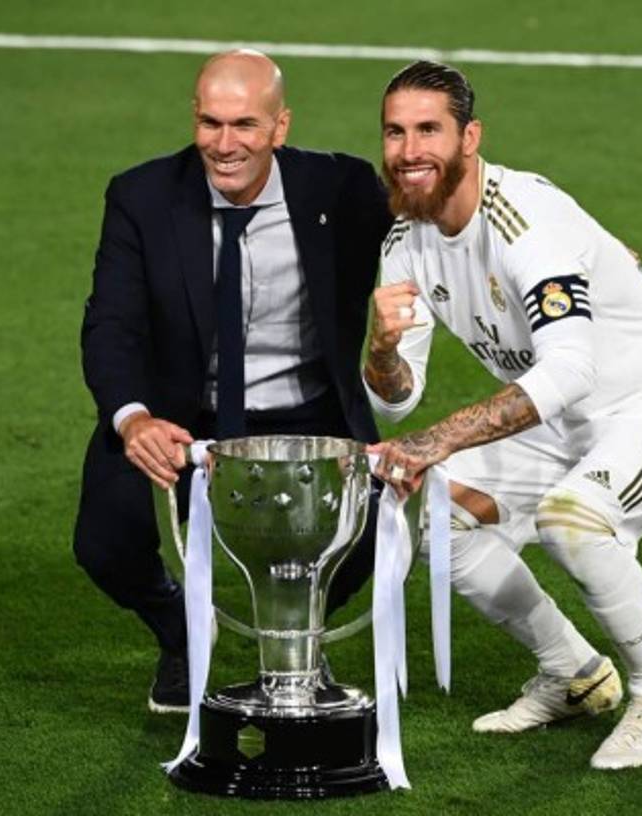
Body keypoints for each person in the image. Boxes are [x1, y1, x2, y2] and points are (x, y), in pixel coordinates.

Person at [363, 60, 642, 770]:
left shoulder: (523, 217)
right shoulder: (403, 240)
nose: (410, 151)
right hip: (561, 419)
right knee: (444, 510)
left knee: (574, 519)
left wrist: (433, 440)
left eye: (429, 130)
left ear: (470, 137)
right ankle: (573, 673)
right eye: (396, 132)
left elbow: (570, 369)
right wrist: (380, 349)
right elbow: (396, 397)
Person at [75, 50, 393, 714]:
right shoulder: (141, 197)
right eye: (211, 123)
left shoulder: (341, 189)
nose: (225, 145)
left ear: (280, 127)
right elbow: (111, 323)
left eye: (245, 125)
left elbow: (436, 207)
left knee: (369, 528)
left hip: (304, 413)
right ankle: (180, 630)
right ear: (194, 119)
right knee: (104, 541)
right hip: (179, 414)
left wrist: (577, 256)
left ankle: (297, 640)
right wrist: (133, 419)